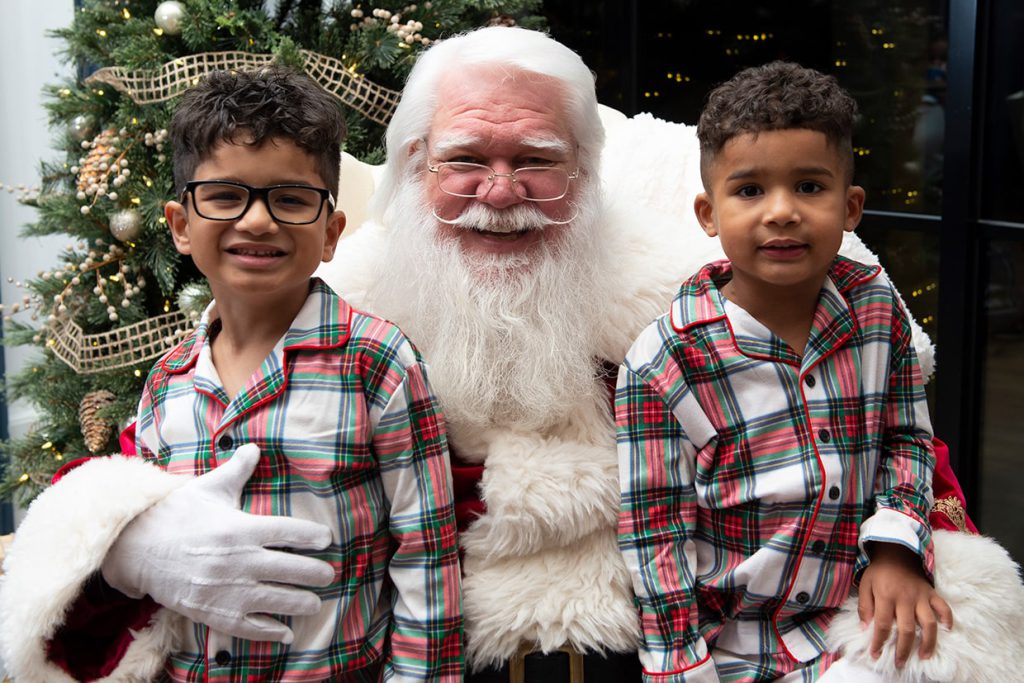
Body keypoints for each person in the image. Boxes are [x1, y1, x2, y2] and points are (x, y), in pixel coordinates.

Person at [3, 26, 1021, 683]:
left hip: (672, 644)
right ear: (409, 172)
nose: (499, 192)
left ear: (590, 174)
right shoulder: (340, 302)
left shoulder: (682, 295)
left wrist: (900, 549)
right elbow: (163, 440)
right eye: (464, 162)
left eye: (536, 161)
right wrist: (133, 538)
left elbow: (873, 438)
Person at [0, 67, 463, 682]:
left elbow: (425, 555)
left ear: (330, 232)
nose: (256, 221)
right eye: (224, 196)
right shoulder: (167, 382)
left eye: (291, 199)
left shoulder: (378, 362)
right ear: (181, 225)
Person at [616, 61, 950, 682]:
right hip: (734, 645)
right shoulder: (663, 362)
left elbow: (907, 440)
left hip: (858, 617)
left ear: (850, 207)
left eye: (809, 187)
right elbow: (655, 535)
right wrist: (680, 666)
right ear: (708, 213)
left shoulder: (878, 310)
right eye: (748, 191)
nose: (782, 212)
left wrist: (897, 549)